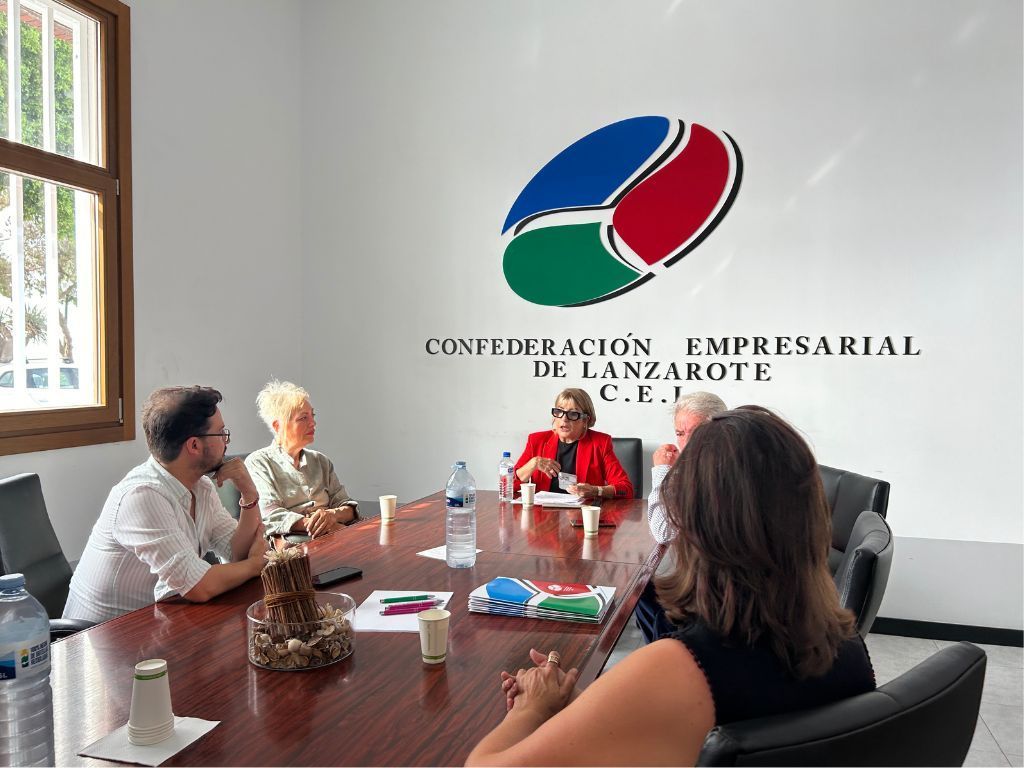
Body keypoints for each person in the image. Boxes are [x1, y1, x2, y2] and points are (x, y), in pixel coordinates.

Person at [467, 407, 875, 766]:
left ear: (691, 519)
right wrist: (582, 707)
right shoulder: (848, 646)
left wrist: (532, 707)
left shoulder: (677, 667)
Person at [63, 386, 267, 624]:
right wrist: (254, 566)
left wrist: (249, 493)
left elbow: (236, 553)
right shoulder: (143, 496)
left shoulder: (201, 486)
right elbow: (199, 586)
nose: (226, 441)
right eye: (221, 433)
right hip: (101, 636)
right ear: (194, 445)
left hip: (154, 624)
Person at [635, 391, 727, 642]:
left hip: (717, 589)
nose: (685, 442)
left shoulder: (718, 470)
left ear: (719, 430)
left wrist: (662, 472)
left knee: (641, 588)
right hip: (707, 574)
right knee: (641, 587)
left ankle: (671, 652)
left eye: (694, 432)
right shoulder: (709, 462)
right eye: (679, 433)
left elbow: (663, 531)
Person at [244, 379, 358, 539]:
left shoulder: (321, 461)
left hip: (336, 536)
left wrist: (332, 515)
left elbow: (346, 505)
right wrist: (325, 526)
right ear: (277, 426)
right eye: (303, 418)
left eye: (312, 416)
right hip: (297, 546)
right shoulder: (259, 462)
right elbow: (271, 515)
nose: (313, 423)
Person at [513, 387, 633, 500]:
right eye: (559, 411)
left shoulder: (600, 443)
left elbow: (626, 490)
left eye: (573, 414)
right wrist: (532, 464)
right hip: (543, 512)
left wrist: (596, 491)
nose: (564, 419)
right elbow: (508, 486)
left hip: (583, 512)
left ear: (585, 420)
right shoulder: (537, 440)